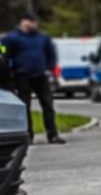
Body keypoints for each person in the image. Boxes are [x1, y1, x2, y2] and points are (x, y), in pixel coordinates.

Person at [2, 15, 65, 145]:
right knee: (25, 106)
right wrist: (9, 73)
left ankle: (52, 135)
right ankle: (28, 136)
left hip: (41, 75)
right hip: (22, 76)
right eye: (31, 22)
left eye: (35, 22)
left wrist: (49, 69)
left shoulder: (43, 38)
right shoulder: (11, 38)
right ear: (23, 22)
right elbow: (4, 55)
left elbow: (51, 55)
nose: (33, 25)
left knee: (48, 105)